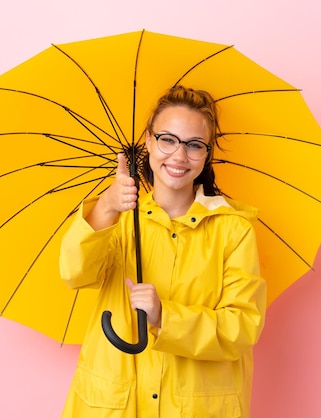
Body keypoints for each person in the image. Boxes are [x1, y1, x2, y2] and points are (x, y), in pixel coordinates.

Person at [59, 85, 267, 417]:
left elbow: (241, 327)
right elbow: (75, 273)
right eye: (167, 139)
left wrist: (164, 317)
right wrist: (106, 208)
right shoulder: (120, 220)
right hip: (115, 404)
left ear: (207, 153)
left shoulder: (233, 230)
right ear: (148, 140)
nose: (179, 156)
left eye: (194, 145)